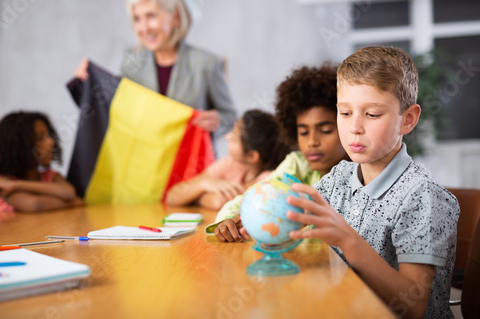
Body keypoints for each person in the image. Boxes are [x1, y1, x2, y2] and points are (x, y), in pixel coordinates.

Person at [286, 46, 459, 318]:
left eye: (372, 114)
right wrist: (250, 219)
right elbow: (292, 216)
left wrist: (347, 240)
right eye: (344, 113)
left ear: (408, 119)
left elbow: (413, 305)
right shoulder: (339, 177)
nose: (354, 126)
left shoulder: (423, 196)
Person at [206, 64, 349, 242]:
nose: (312, 141)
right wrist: (226, 220)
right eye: (303, 132)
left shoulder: (357, 175)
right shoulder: (297, 164)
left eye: (326, 130)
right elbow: (251, 196)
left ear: (347, 127)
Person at [74, 0, 237, 140]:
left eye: (151, 16)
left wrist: (218, 122)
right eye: (137, 19)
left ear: (176, 17)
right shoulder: (132, 63)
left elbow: (231, 119)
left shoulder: (206, 63)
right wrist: (87, 83)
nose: (144, 28)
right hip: (146, 163)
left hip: (193, 164)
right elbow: (117, 112)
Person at [165, 109, 290, 210]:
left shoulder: (271, 179)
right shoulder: (232, 162)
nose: (227, 136)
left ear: (252, 156)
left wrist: (195, 195)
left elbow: (219, 202)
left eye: (234, 137)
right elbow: (172, 196)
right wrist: (205, 184)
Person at [0, 112, 84, 213]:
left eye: (49, 135)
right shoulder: (2, 182)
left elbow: (69, 193)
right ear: (19, 147)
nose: (52, 142)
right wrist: (72, 203)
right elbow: (35, 205)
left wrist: (16, 185)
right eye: (40, 138)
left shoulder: (50, 176)